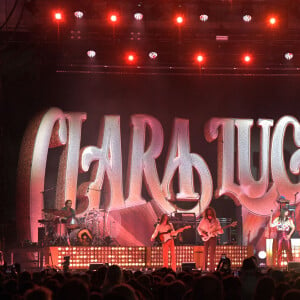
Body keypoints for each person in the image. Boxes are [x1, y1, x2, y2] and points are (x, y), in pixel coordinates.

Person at [197, 207, 223, 271]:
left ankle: (212, 269)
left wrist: (219, 231)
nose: (209, 214)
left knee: (212, 254)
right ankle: (204, 269)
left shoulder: (216, 220)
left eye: (210, 213)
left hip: (213, 237)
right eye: (208, 213)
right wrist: (203, 234)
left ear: (212, 213)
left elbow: (219, 230)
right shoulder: (203, 220)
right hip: (206, 238)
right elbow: (198, 229)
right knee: (205, 253)